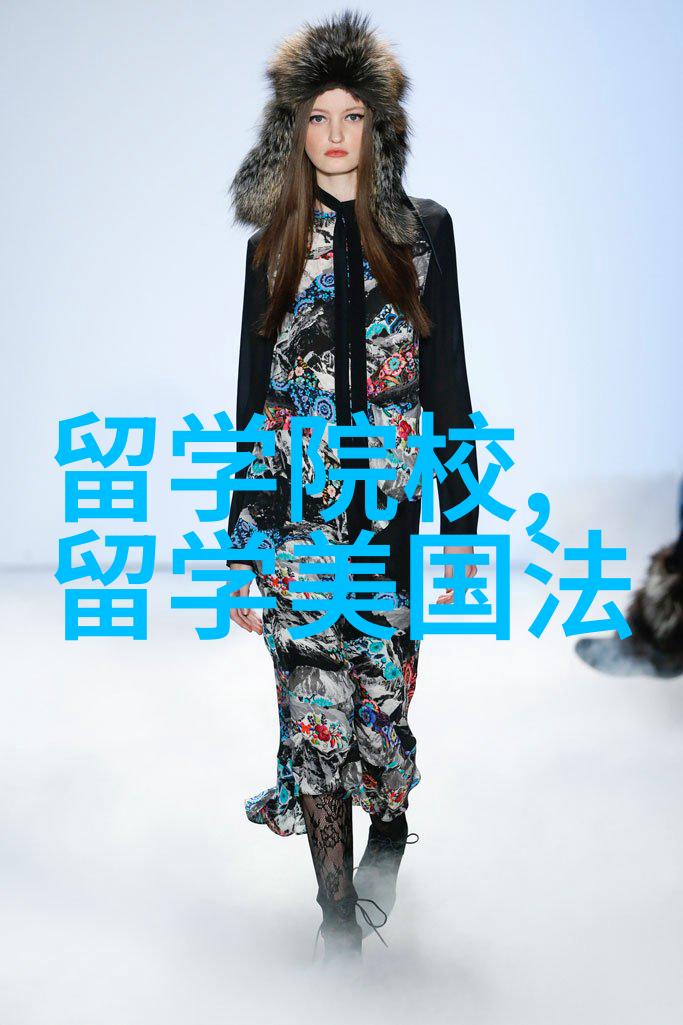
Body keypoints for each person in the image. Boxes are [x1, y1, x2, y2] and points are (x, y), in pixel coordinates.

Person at [224, 10, 479, 961]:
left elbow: (447, 381)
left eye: (352, 115)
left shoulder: (423, 234)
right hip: (295, 528)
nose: (334, 134)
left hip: (389, 524)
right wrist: (245, 546)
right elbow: (251, 401)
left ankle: (392, 833)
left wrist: (460, 526)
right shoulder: (270, 247)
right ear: (293, 129)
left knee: (380, 714)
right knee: (312, 725)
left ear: (378, 126)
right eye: (317, 117)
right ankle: (337, 932)